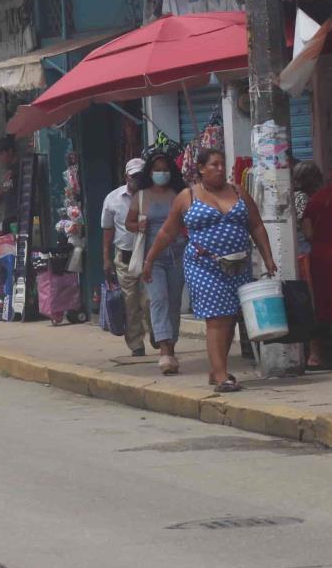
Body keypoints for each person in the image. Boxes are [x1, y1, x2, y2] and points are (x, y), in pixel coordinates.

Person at [143, 148, 277, 392]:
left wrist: (268, 257)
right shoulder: (188, 196)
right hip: (203, 266)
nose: (219, 168)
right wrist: (149, 260)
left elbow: (256, 225)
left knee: (231, 317)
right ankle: (221, 374)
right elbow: (167, 231)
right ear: (201, 168)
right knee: (217, 318)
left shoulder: (238, 192)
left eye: (221, 164)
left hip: (238, 264)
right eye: (214, 164)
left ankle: (217, 370)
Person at [127, 153, 187, 374]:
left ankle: (170, 346)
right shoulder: (141, 196)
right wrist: (139, 226)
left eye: (165, 169)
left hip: (178, 254)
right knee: (158, 299)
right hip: (152, 257)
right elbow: (129, 223)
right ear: (149, 173)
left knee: (173, 302)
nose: (161, 173)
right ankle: (164, 351)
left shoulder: (179, 194)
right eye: (157, 169)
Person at [100, 158, 150, 357]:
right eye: (134, 176)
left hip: (148, 255)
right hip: (125, 256)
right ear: (126, 176)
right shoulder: (113, 199)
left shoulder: (152, 197)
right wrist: (106, 259)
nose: (137, 179)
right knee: (130, 303)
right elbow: (107, 230)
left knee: (150, 301)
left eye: (140, 175)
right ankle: (136, 344)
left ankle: (158, 334)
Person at [300, 170, 332, 369]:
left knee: (322, 304)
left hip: (321, 256)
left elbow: (308, 231)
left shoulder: (317, 199)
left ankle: (317, 355)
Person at [0, 137, 18, 232]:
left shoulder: (19, 169)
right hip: (10, 218)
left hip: (18, 218)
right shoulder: (10, 171)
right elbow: (6, 186)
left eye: (0, 155)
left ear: (10, 151)